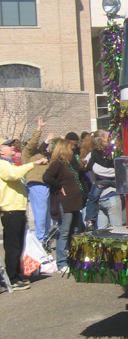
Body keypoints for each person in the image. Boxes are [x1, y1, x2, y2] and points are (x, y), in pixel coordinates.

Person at [0, 134, 48, 290]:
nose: (12, 146)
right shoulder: (2, 164)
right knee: (13, 246)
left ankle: (16, 274)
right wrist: (33, 164)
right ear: (1, 150)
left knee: (19, 245)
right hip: (10, 211)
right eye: (8, 145)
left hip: (18, 210)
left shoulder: (10, 163)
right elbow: (12, 175)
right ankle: (12, 278)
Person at [42, 139, 88, 275]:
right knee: (64, 232)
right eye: (70, 149)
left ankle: (72, 259)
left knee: (74, 231)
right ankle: (61, 262)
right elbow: (47, 177)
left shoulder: (67, 164)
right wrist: (58, 187)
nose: (72, 151)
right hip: (65, 203)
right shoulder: (57, 164)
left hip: (74, 202)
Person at [22, 116, 54, 245]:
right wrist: (39, 128)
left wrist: (46, 140)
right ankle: (40, 239)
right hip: (37, 184)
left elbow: (41, 146)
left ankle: (45, 237)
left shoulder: (39, 152)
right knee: (40, 212)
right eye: (32, 141)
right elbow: (34, 144)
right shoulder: (28, 153)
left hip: (45, 184)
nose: (35, 143)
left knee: (46, 214)